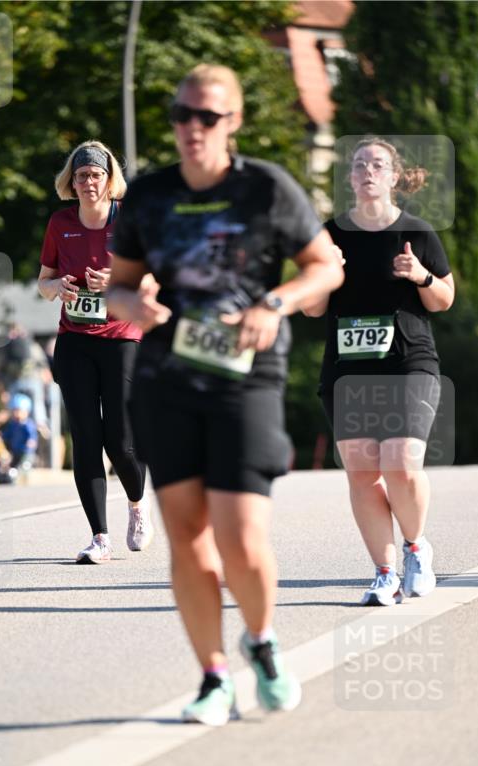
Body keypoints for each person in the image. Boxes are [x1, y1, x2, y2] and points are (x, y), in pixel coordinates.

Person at [107, 64, 343, 725]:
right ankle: (213, 677)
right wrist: (135, 304)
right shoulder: (148, 196)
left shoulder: (265, 189)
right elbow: (117, 284)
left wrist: (275, 301)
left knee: (240, 538)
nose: (190, 128)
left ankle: (261, 642)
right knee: (185, 538)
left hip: (246, 378)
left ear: (231, 122)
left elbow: (326, 265)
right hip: (166, 378)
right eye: (180, 115)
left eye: (205, 117)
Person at [305, 137, 455, 605]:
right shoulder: (329, 237)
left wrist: (420, 276)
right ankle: (385, 571)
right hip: (347, 368)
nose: (367, 171)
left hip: (409, 361)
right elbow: (312, 310)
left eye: (378, 164)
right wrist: (327, 273)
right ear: (350, 178)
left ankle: (415, 547)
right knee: (362, 470)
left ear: (394, 177)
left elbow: (445, 299)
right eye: (359, 164)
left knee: (401, 461)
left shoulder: (417, 232)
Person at [37, 140, 153, 564]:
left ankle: (138, 507)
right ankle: (99, 536)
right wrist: (58, 288)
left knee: (119, 441)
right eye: (82, 175)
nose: (89, 182)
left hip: (122, 337)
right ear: (72, 180)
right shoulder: (60, 222)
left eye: (96, 175)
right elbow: (43, 282)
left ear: (109, 180)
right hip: (75, 340)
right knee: (85, 438)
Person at [0, 325, 51, 434]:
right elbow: (43, 364)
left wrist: (2, 390)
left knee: (14, 409)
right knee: (37, 405)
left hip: (15, 382)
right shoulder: (31, 344)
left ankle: (14, 429)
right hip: (32, 381)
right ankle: (40, 425)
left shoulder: (7, 346)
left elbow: (0, 368)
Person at [0, 392, 38, 471]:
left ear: (26, 412)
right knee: (10, 463)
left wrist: (31, 441)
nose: (15, 414)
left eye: (18, 411)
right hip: (14, 451)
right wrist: (2, 436)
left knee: (26, 461)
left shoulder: (28, 425)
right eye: (14, 411)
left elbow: (32, 436)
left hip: (25, 451)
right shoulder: (12, 424)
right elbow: (6, 435)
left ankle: (25, 468)